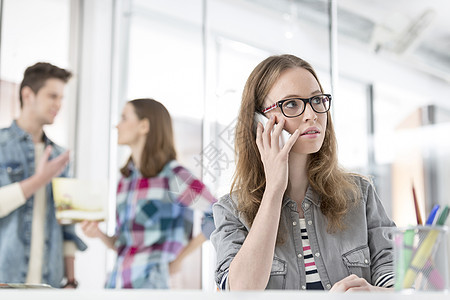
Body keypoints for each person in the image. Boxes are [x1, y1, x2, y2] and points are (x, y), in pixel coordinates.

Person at [210, 54, 396, 292]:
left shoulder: (360, 195)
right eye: (291, 104)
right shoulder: (231, 211)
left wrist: (376, 293)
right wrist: (274, 189)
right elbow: (240, 292)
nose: (312, 115)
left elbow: (398, 279)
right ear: (259, 122)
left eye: (317, 100)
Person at [81, 98, 216, 289]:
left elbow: (218, 215)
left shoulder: (173, 176)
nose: (117, 125)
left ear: (144, 126)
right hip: (118, 284)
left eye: (124, 118)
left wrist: (178, 260)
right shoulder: (125, 180)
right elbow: (125, 244)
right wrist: (99, 235)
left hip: (154, 286)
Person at [0, 62, 87, 288]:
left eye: (61, 98)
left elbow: (66, 221)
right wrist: (39, 180)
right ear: (28, 94)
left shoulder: (59, 156)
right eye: (52, 96)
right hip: (4, 281)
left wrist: (71, 280)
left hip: (49, 284)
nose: (58, 105)